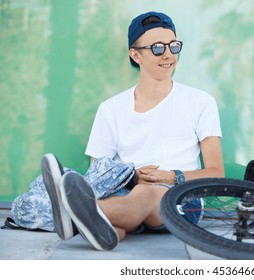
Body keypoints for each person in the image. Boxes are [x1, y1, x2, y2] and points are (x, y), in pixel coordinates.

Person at [40, 11, 224, 251]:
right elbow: (100, 173)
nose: (168, 54)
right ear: (135, 55)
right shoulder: (111, 109)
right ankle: (101, 228)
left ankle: (69, 213)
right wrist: (133, 175)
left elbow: (216, 173)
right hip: (127, 192)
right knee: (125, 205)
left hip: (181, 199)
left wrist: (170, 176)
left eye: (173, 46)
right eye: (157, 48)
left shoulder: (200, 101)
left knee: (147, 193)